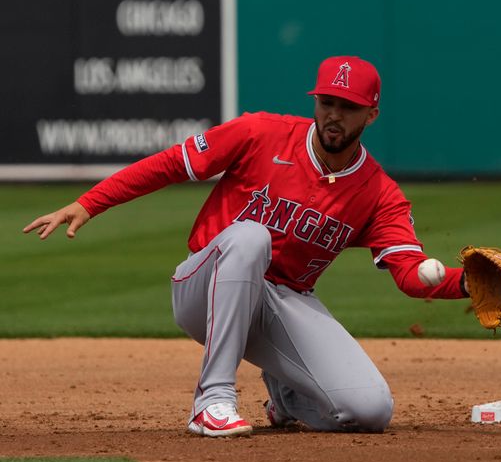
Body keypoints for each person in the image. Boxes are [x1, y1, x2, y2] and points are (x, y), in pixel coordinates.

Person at [23, 55, 468, 437]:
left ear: (371, 114)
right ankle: (212, 400)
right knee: (251, 236)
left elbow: (412, 274)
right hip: (205, 285)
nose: (334, 115)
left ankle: (288, 397)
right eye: (326, 102)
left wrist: (469, 283)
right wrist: (89, 203)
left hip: (283, 301)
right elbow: (169, 164)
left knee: (370, 411)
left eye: (347, 107)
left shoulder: (378, 193)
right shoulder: (260, 133)